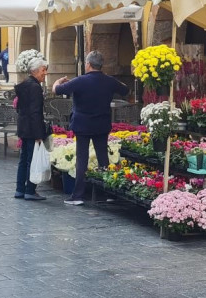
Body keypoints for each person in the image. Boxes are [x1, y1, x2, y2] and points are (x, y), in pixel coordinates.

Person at [52, 50, 129, 206]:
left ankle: (78, 195)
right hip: (101, 123)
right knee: (103, 158)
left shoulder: (80, 81)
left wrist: (57, 81)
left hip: (82, 124)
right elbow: (125, 90)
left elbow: (57, 90)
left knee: (82, 158)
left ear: (88, 64)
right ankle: (107, 193)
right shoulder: (108, 81)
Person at [14, 57, 48, 201]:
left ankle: (19, 190)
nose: (45, 73)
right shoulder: (35, 87)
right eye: (43, 70)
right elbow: (35, 112)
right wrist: (38, 134)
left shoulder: (24, 84)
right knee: (31, 160)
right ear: (35, 71)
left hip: (23, 127)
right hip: (32, 128)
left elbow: (20, 108)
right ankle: (30, 190)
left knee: (23, 160)